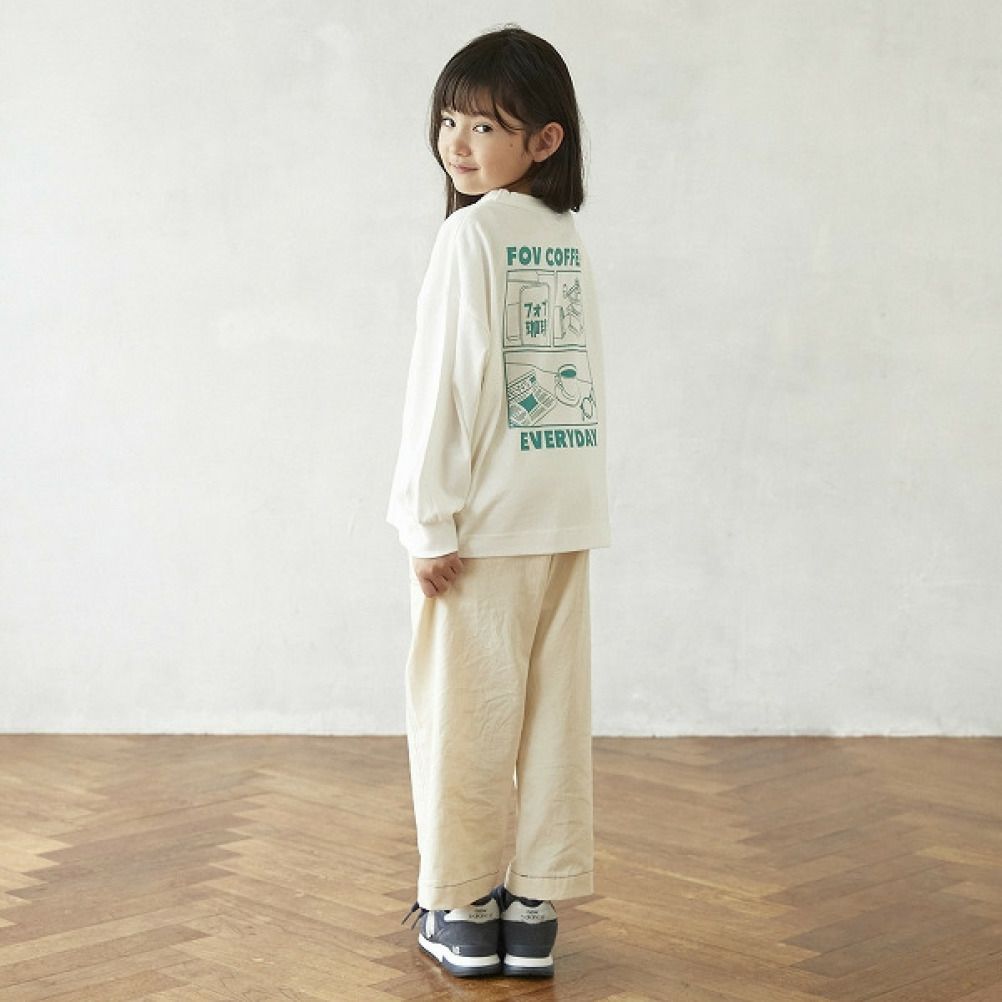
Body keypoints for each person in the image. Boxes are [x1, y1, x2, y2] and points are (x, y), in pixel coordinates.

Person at [387, 24, 612, 979]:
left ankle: (462, 903)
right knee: (553, 717)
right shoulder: (562, 237)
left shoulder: (471, 234)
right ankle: (535, 905)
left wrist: (425, 517)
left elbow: (445, 387)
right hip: (564, 512)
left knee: (465, 718)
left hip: (483, 528)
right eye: (450, 120)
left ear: (545, 140)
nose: (458, 143)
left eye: (485, 125)